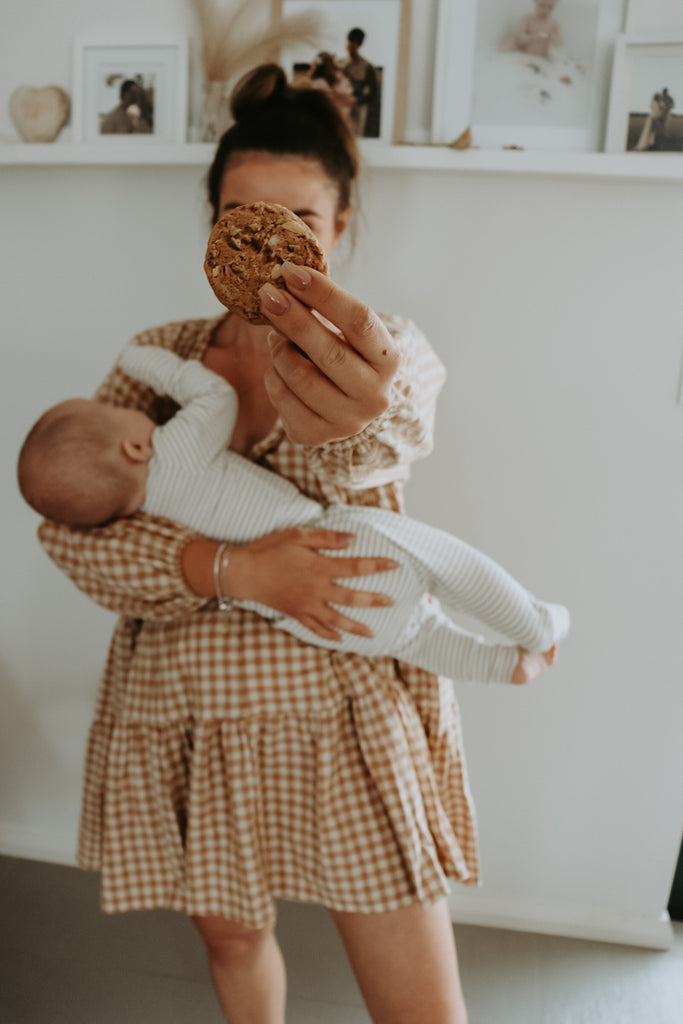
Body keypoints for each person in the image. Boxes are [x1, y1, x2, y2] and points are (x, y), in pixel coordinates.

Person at [32, 62, 560, 1024]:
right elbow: (72, 537)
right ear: (214, 227)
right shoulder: (158, 358)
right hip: (187, 711)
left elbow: (390, 430)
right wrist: (238, 571)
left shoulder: (385, 352)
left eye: (302, 221)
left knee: (415, 997)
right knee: (232, 941)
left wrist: (347, 421)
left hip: (344, 716)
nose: (269, 239)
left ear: (340, 227)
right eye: (239, 214)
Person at [18, 343, 569, 686]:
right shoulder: (172, 448)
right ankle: (534, 624)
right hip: (336, 541)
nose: (133, 411)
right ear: (133, 449)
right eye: (121, 413)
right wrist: (149, 363)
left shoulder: (142, 521)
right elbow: (215, 398)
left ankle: (503, 668)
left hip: (306, 617)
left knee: (413, 636)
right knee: (448, 566)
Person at [341, 27, 378, 136]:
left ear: (359, 45)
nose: (350, 47)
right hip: (341, 106)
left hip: (357, 109)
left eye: (354, 44)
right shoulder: (341, 64)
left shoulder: (367, 67)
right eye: (349, 43)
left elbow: (373, 93)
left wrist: (356, 101)